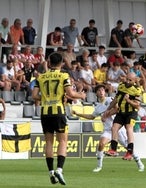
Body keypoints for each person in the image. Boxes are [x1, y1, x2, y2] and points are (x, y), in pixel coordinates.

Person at [32, 52, 86, 185]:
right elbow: (70, 93)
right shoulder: (63, 76)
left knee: (48, 142)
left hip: (45, 112)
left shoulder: (42, 77)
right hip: (58, 111)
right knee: (62, 141)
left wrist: (45, 98)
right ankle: (59, 169)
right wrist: (81, 95)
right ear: (61, 63)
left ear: (49, 63)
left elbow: (34, 95)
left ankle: (51, 171)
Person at [72, 84, 144, 172]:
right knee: (101, 144)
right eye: (99, 90)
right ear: (96, 94)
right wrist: (77, 113)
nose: (101, 91)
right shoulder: (98, 106)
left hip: (118, 129)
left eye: (102, 90)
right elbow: (91, 116)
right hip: (107, 130)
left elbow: (117, 109)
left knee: (127, 146)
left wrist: (107, 114)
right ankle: (99, 166)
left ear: (105, 92)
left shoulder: (110, 99)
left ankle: (139, 162)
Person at [104, 72, 142, 160]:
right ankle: (113, 150)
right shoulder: (121, 85)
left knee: (129, 130)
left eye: (130, 80)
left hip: (131, 113)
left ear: (135, 80)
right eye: (127, 79)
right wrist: (108, 109)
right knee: (114, 128)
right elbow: (116, 99)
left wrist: (128, 100)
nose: (127, 81)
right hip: (121, 112)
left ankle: (129, 152)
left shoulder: (137, 90)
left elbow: (137, 105)